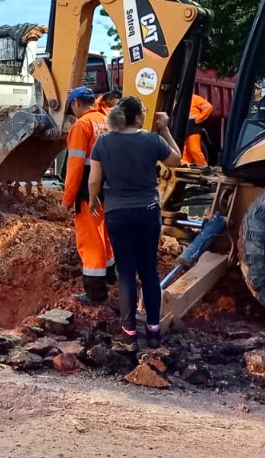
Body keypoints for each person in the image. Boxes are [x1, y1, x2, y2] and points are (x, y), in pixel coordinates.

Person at [87, 96, 182, 349]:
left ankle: (128, 333)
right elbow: (177, 159)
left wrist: (93, 200)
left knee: (126, 272)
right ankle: (153, 331)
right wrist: (164, 128)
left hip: (118, 213)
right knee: (149, 271)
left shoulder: (103, 142)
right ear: (139, 118)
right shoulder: (152, 140)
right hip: (148, 211)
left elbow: (94, 180)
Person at [62, 86, 115, 305]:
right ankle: (111, 276)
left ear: (76, 104)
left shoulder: (81, 125)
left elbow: (75, 168)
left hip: (88, 190)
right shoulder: (106, 121)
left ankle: (95, 293)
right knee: (105, 235)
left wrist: (67, 199)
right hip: (109, 187)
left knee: (90, 241)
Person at [181, 93, 214, 167]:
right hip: (184, 127)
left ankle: (203, 167)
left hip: (193, 127)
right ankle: (186, 166)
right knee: (185, 151)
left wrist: (198, 119)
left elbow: (209, 107)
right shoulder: (179, 99)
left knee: (194, 149)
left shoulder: (195, 98)